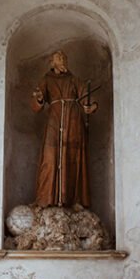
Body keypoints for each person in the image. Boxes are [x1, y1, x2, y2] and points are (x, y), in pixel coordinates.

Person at [30, 50, 98, 208]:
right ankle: (46, 199)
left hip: (73, 121)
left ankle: (73, 200)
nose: (63, 60)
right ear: (52, 62)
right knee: (50, 158)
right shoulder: (46, 79)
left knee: (73, 157)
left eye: (65, 57)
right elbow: (36, 104)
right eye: (59, 57)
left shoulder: (74, 79)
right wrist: (39, 98)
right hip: (54, 120)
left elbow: (87, 96)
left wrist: (91, 105)